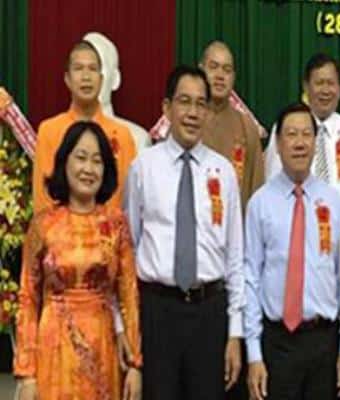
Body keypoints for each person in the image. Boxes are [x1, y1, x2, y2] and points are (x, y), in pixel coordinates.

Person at [124, 65, 244, 400]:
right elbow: (129, 247)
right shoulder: (143, 168)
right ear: (167, 108)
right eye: (184, 102)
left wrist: (235, 333)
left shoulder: (224, 172)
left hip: (209, 311)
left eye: (200, 104)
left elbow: (235, 257)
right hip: (158, 311)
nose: (193, 113)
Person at [14, 121, 142, 400]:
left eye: (97, 161)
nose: (88, 168)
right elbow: (28, 298)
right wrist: (26, 373)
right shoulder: (43, 225)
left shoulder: (116, 224)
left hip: (103, 347)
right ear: (65, 163)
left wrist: (135, 363)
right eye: (81, 158)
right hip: (53, 349)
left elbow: (129, 294)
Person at [245, 102, 340, 400]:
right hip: (277, 343)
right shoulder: (260, 203)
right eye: (291, 134)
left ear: (316, 143)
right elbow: (250, 278)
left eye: (306, 134)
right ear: (278, 144)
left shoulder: (336, 203)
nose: (300, 143)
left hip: (323, 342)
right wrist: (254, 354)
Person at [32, 40, 136, 214]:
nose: (86, 76)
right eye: (79, 68)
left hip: (109, 227)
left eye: (92, 69)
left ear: (101, 80)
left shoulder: (122, 135)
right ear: (67, 79)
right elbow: (43, 198)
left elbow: (129, 198)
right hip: (60, 228)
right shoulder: (49, 130)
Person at [264, 53, 340, 208]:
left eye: (331, 83)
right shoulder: (287, 125)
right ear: (306, 87)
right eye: (319, 83)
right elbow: (272, 181)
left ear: (339, 89)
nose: (325, 90)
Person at [198, 40, 264, 212]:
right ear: (201, 70)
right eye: (213, 67)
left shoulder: (246, 127)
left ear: (233, 77)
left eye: (226, 70)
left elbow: (256, 189)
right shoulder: (189, 122)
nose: (220, 75)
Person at [83, 32, 151, 151]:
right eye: (80, 68)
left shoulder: (137, 139)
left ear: (115, 79)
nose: (87, 76)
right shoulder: (54, 133)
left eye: (97, 67)